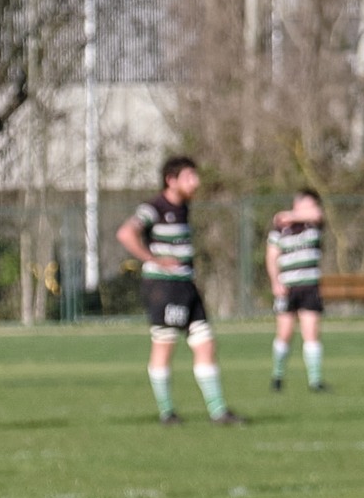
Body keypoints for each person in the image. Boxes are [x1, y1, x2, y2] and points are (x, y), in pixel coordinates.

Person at [115, 155, 245, 427]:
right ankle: (167, 412)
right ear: (170, 180)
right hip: (165, 287)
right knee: (164, 347)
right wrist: (153, 259)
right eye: (189, 177)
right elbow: (126, 233)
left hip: (187, 286)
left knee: (205, 344)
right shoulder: (154, 207)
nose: (195, 182)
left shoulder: (184, 206)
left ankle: (218, 411)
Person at [267, 189, 326, 392]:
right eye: (308, 205)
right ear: (297, 203)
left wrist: (291, 215)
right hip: (287, 287)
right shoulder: (280, 230)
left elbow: (318, 215)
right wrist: (275, 282)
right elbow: (272, 257)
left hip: (309, 286)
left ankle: (315, 381)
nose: (312, 209)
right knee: (285, 333)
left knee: (311, 333)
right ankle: (277, 377)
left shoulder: (312, 224)